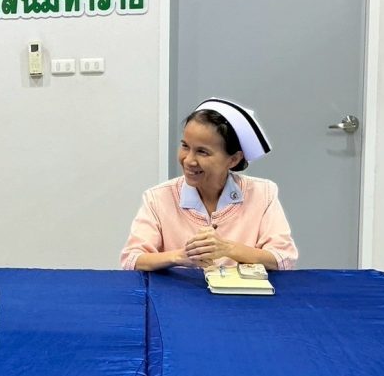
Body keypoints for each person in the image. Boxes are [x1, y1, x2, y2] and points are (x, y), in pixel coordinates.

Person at [120, 97, 297, 272]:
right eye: (185, 146)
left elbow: (283, 259)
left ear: (234, 159)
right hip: (179, 291)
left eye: (202, 152)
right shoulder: (158, 198)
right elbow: (131, 260)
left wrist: (228, 249)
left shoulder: (262, 194)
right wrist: (180, 257)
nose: (188, 160)